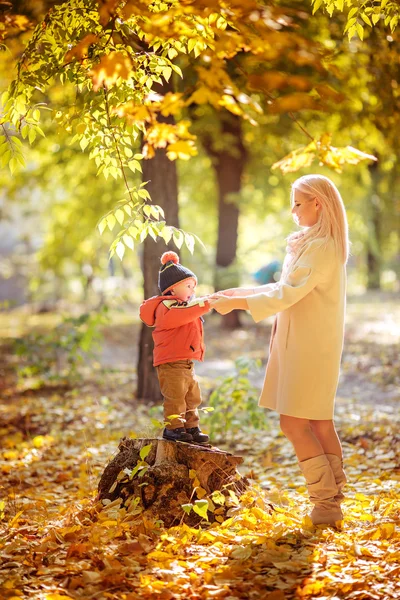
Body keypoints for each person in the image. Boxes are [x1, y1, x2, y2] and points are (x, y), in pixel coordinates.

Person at [209, 174, 348, 526]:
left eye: (299, 202)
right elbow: (284, 286)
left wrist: (239, 302)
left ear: (318, 202)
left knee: (294, 422)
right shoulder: (314, 244)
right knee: (317, 420)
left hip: (311, 347)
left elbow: (285, 295)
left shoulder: (322, 247)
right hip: (305, 342)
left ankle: (326, 503)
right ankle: (331, 503)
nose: (293, 210)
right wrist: (233, 293)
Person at [140, 251, 211, 444]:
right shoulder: (167, 307)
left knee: (192, 396)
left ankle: (191, 426)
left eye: (193, 286)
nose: (192, 290)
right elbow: (182, 316)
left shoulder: (183, 304)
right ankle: (173, 428)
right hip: (171, 362)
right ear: (171, 289)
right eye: (188, 285)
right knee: (175, 396)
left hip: (186, 361)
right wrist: (204, 306)